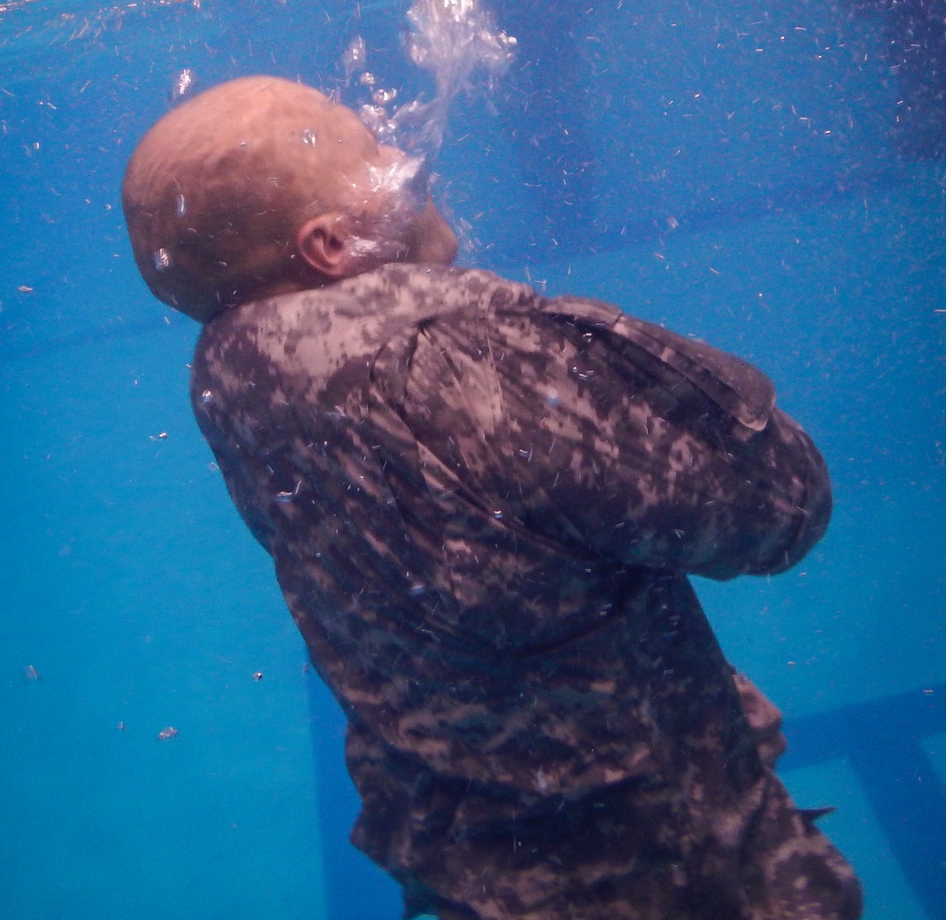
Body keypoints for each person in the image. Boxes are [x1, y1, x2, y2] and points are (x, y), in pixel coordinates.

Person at [122, 74, 863, 920]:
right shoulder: (466, 364)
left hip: (471, 871)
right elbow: (781, 506)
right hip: (667, 876)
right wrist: (540, 337)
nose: (406, 156)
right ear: (330, 246)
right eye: (370, 149)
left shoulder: (233, 375)